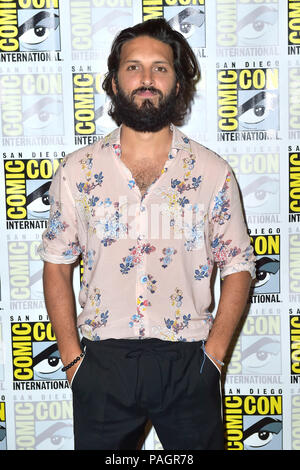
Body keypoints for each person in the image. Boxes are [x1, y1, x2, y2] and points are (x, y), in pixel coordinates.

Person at [39, 18, 256, 451]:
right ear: (115, 82)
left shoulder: (213, 173)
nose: (146, 79)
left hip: (188, 361)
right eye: (133, 67)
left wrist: (213, 358)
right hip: (103, 363)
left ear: (177, 84)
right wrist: (72, 361)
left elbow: (239, 266)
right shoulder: (78, 171)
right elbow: (57, 264)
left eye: (160, 68)